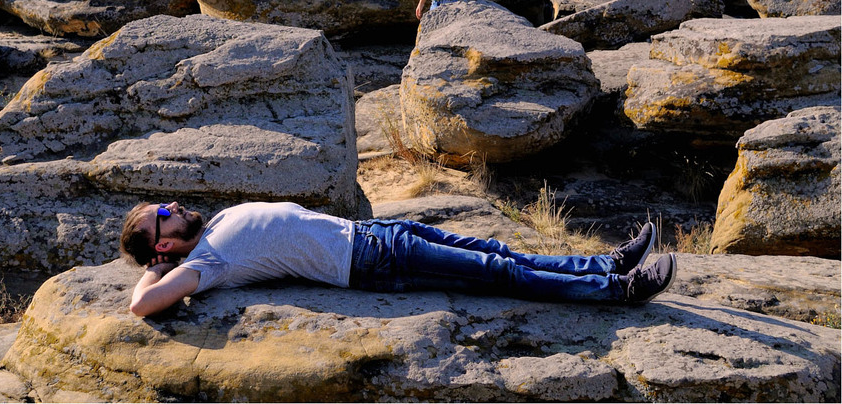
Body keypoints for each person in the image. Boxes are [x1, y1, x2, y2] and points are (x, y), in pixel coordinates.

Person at [120, 200, 676, 317]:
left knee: (497, 250)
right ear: (164, 245)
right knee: (498, 273)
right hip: (373, 262)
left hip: (376, 232)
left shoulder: (212, 225)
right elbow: (142, 307)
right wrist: (156, 268)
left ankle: (606, 265)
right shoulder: (205, 264)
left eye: (161, 204)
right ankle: (618, 293)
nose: (171, 207)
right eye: (159, 219)